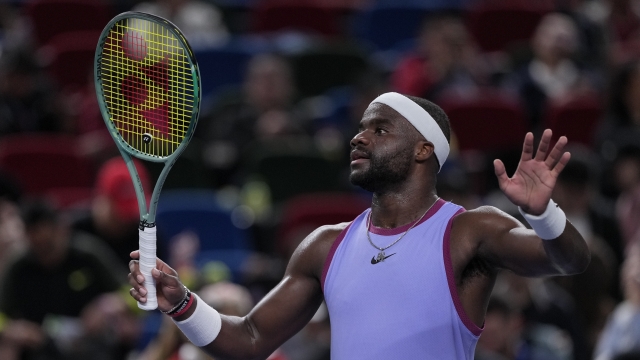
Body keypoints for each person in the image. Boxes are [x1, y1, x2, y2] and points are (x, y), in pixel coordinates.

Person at [128, 92, 590, 359]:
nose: (358, 136)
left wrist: (542, 213)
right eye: (361, 127)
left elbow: (569, 260)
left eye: (380, 129)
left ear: (423, 149)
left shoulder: (470, 232)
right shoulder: (324, 246)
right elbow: (250, 339)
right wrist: (181, 303)